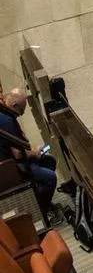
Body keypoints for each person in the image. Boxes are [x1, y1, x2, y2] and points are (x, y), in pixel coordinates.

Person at [1, 87, 57, 215]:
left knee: (50, 161)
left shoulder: (6, 114)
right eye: (21, 111)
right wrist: (34, 153)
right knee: (50, 178)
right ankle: (41, 210)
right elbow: (18, 153)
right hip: (14, 168)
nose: (20, 115)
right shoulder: (7, 120)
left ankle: (42, 201)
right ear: (14, 105)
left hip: (16, 162)